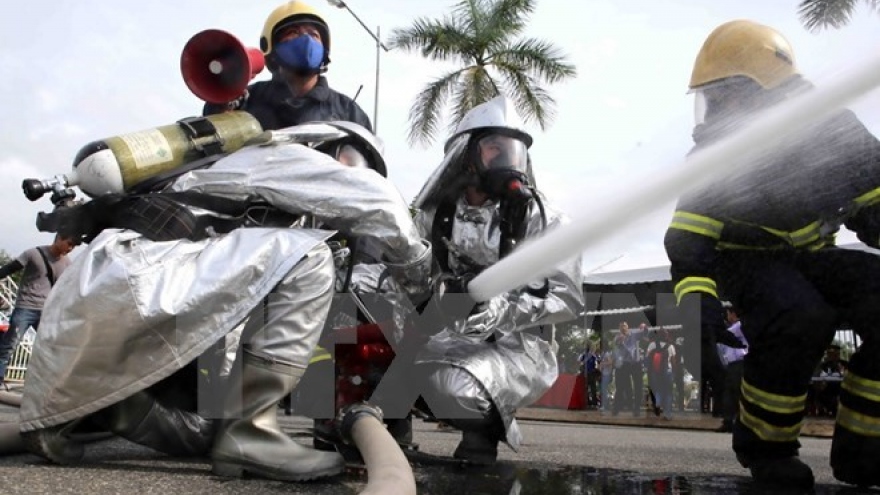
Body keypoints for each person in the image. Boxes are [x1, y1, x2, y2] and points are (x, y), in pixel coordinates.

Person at [16, 121, 432, 483]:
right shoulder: (290, 156)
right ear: (334, 148)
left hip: (108, 288)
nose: (349, 173)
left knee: (204, 432)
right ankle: (252, 432)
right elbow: (379, 202)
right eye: (354, 161)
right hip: (146, 277)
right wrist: (417, 274)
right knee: (309, 257)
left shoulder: (228, 187)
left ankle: (115, 407)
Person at [664, 19, 880, 489]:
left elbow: (873, 199)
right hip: (747, 260)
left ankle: (867, 447)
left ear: (768, 91)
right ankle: (767, 449)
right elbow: (689, 240)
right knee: (799, 313)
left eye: (726, 95)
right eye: (711, 98)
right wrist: (696, 303)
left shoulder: (834, 131)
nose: (716, 110)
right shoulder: (718, 156)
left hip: (815, 257)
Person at [402, 95, 584, 464]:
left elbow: (568, 298)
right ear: (465, 155)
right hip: (437, 336)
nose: (507, 160)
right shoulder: (432, 216)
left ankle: (480, 440)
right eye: (494, 149)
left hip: (511, 346)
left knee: (462, 392)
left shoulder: (542, 220)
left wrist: (497, 307)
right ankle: (389, 443)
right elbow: (406, 273)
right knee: (371, 362)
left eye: (515, 150)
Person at [203, 0, 371, 132]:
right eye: (293, 33)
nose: (306, 40)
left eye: (314, 34)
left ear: (325, 52)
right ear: (272, 48)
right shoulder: (246, 102)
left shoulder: (349, 114)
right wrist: (221, 105)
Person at [0, 233, 79, 387]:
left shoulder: (67, 263)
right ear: (59, 239)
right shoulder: (33, 254)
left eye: (73, 247)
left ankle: (47, 384)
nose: (70, 249)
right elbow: (8, 269)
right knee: (9, 345)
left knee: (52, 347)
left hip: (47, 312)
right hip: (25, 307)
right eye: (69, 244)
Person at [715, 306, 748, 432]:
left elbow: (723, 336)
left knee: (734, 393)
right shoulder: (739, 327)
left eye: (728, 313)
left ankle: (732, 421)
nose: (727, 316)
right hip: (735, 364)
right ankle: (730, 421)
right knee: (732, 393)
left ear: (733, 314)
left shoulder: (738, 327)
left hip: (739, 364)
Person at [611, 321, 645, 416]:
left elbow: (644, 333)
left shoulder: (634, 334)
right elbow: (615, 344)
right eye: (621, 327)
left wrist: (644, 327)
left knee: (638, 386)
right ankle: (616, 408)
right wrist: (620, 340)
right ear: (619, 329)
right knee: (621, 386)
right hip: (624, 364)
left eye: (625, 326)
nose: (623, 328)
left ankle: (637, 409)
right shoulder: (617, 337)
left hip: (636, 363)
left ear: (628, 327)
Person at [644, 328, 675, 420]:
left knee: (658, 390)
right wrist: (674, 372)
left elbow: (647, 358)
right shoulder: (670, 346)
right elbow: (673, 361)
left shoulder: (652, 345)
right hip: (667, 372)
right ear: (666, 336)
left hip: (655, 371)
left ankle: (657, 403)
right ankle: (667, 414)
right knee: (668, 393)